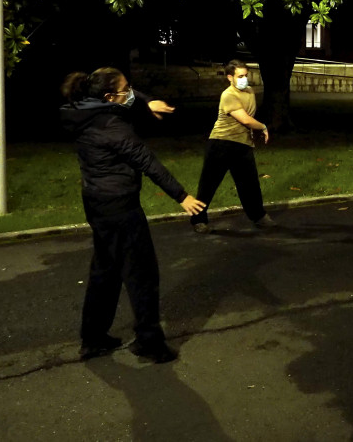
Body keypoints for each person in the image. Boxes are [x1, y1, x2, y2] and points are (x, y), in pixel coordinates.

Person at [60, 68, 206, 364]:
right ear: (110, 97)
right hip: (120, 207)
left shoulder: (83, 110)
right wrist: (182, 196)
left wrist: (146, 100)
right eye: (126, 89)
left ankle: (94, 338)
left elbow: (128, 96)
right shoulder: (112, 128)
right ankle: (150, 343)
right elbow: (147, 162)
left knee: (105, 272)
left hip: (97, 203)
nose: (131, 92)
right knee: (142, 274)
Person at [191, 60, 275, 233]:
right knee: (209, 184)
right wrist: (263, 127)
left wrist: (253, 132)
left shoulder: (250, 91)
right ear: (230, 77)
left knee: (250, 183)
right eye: (240, 76)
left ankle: (258, 216)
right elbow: (245, 119)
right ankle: (198, 219)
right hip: (221, 143)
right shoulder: (228, 95)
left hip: (242, 144)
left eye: (246, 75)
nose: (244, 79)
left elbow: (249, 118)